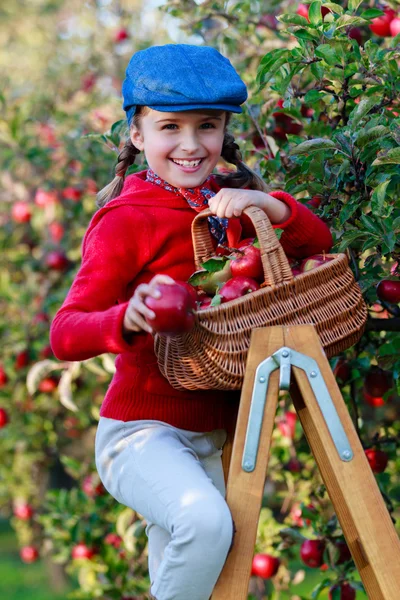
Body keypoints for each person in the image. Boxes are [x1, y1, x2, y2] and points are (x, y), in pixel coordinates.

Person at [50, 44, 332, 600]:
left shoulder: (227, 204)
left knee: (199, 573)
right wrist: (127, 318)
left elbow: (316, 244)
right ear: (137, 135)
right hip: (141, 433)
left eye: (206, 126)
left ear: (224, 130)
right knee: (204, 524)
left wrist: (267, 204)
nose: (188, 144)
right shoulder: (126, 219)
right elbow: (65, 331)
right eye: (168, 127)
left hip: (216, 432)